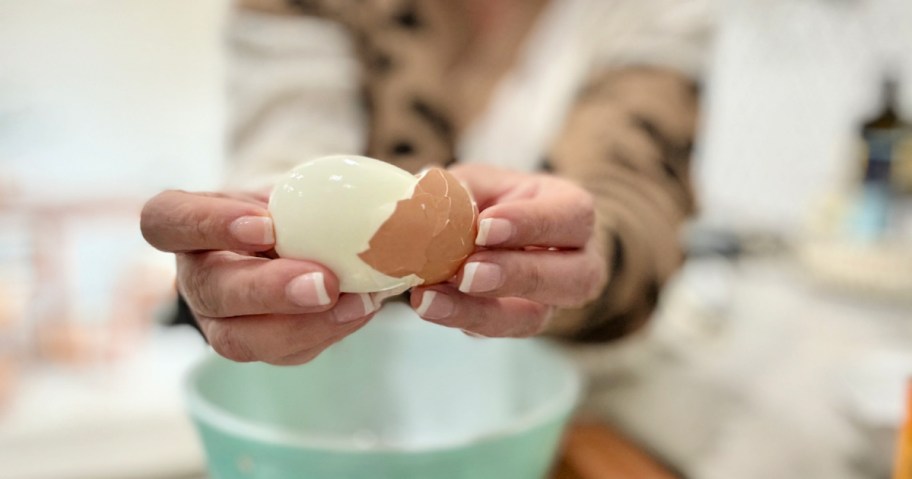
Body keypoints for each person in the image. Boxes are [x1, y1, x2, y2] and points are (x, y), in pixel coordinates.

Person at [141, 0, 708, 365]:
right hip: (344, 389)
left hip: (565, 399)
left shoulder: (653, 10)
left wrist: (587, 252)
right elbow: (291, 147)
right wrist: (257, 242)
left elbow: (633, 188)